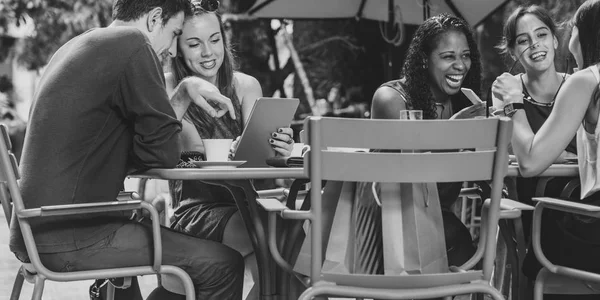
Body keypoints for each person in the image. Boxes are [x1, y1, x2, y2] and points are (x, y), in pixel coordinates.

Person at [8, 0, 246, 299]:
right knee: (222, 264)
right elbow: (162, 154)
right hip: (72, 232)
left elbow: (136, 151)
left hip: (37, 228)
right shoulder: (133, 44)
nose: (173, 51)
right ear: (155, 18)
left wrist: (183, 92)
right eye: (174, 34)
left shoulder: (80, 44)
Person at [164, 1, 294, 299]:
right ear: (178, 49)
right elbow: (195, 157)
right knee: (282, 242)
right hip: (197, 211)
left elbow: (259, 153)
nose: (208, 53)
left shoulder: (246, 86)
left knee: (287, 254)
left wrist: (278, 147)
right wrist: (239, 155)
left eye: (214, 40)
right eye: (194, 44)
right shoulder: (171, 92)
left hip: (248, 204)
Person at [356, 13, 486, 273]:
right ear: (425, 60)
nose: (460, 65)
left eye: (465, 55)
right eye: (448, 56)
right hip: (386, 225)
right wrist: (452, 134)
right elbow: (405, 176)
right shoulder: (391, 98)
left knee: (474, 259)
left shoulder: (465, 104)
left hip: (440, 223)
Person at [493, 0, 600, 298]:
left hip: (580, 224)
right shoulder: (507, 85)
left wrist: (513, 106)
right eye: (523, 40)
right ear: (513, 51)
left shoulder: (584, 82)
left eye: (573, 28)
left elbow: (528, 163)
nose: (570, 36)